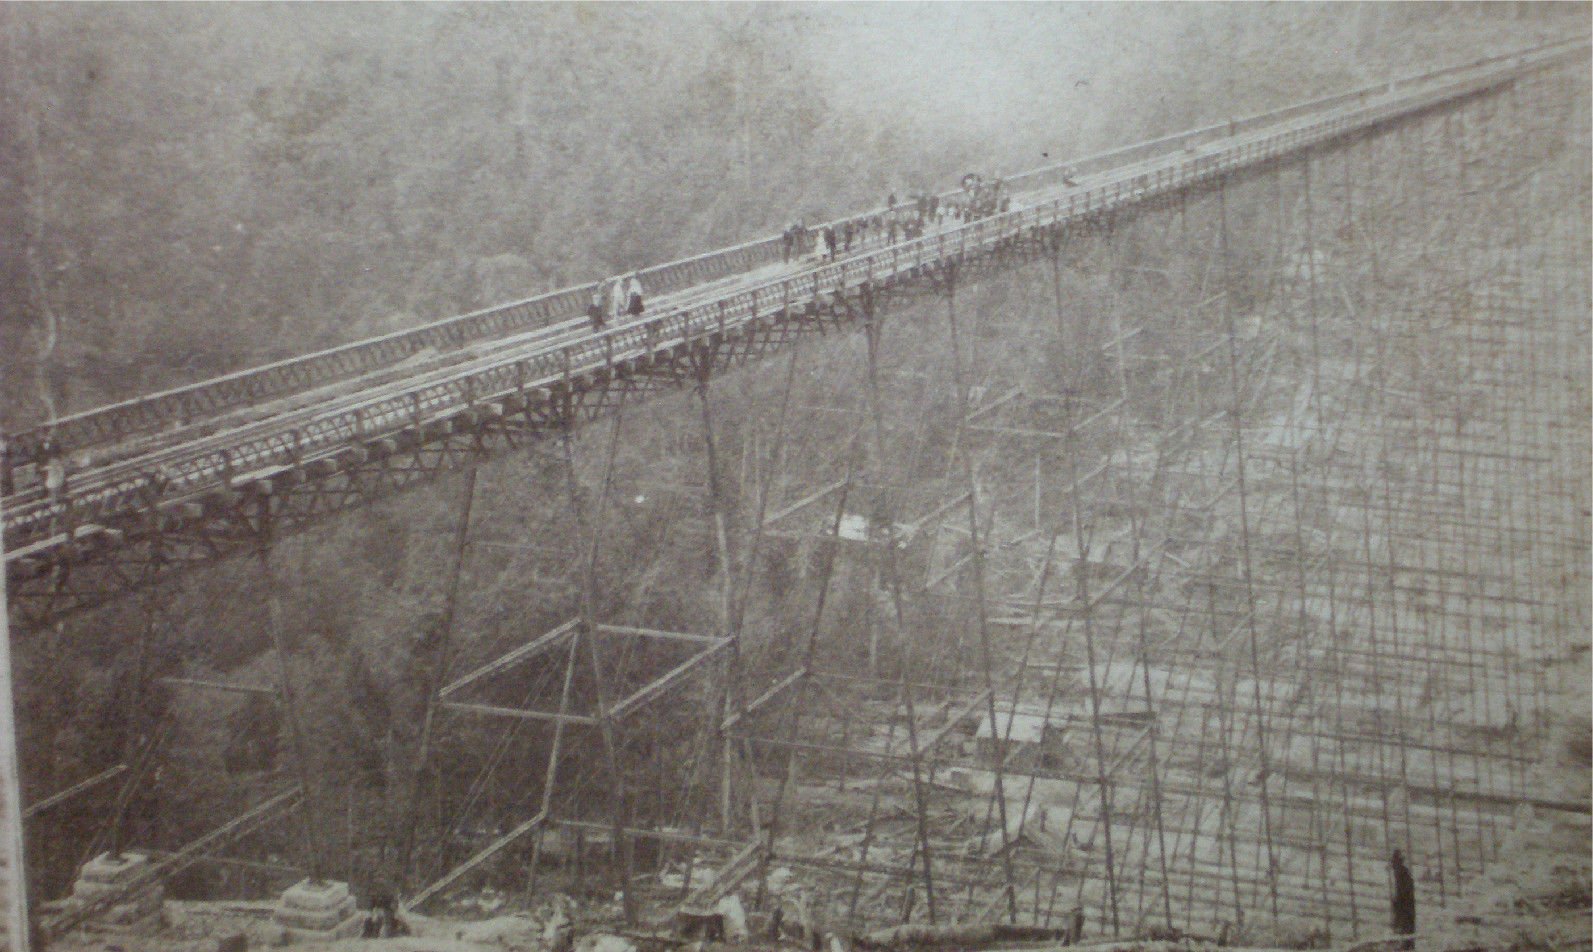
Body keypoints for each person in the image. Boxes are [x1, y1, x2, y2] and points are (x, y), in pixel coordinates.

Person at [1390, 850, 1415, 950]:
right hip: (1405, 906)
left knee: (1406, 928)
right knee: (1403, 928)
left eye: (1394, 862)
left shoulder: (1402, 873)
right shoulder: (1400, 872)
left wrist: (1397, 903)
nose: (1393, 865)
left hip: (1405, 907)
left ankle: (1407, 946)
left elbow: (1404, 892)